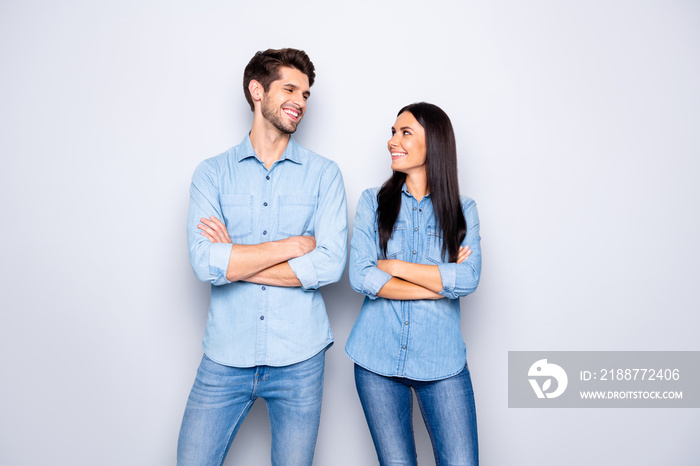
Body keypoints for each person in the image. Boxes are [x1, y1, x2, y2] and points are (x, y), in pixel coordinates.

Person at [177, 48, 348, 466]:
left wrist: (234, 261)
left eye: (306, 94)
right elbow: (204, 263)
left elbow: (329, 264)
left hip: (300, 359)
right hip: (225, 354)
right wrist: (291, 246)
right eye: (290, 89)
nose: (301, 102)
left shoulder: (325, 174)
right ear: (257, 91)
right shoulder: (212, 173)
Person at [345, 102, 481, 465]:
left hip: (442, 363)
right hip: (376, 361)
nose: (393, 141)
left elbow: (468, 279)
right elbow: (360, 275)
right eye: (392, 132)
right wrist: (438, 285)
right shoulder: (372, 203)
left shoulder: (463, 210)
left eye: (405, 133)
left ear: (433, 143)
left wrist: (393, 266)